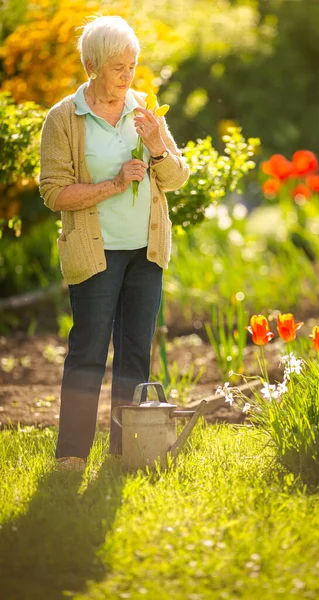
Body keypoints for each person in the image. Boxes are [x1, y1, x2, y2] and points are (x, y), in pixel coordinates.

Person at [39, 15, 189, 470]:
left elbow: (177, 177)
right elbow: (53, 191)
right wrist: (114, 184)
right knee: (87, 350)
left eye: (132, 66)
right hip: (95, 253)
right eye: (119, 68)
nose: (128, 77)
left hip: (146, 253)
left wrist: (158, 145)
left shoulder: (144, 109)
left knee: (135, 352)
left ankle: (128, 451)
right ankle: (72, 455)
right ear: (93, 67)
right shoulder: (64, 118)